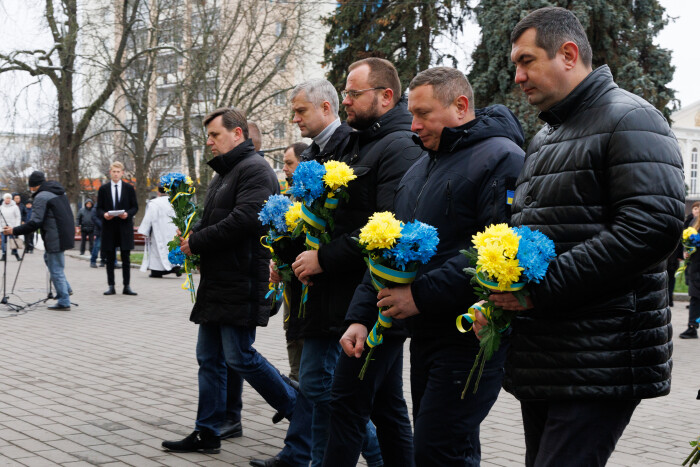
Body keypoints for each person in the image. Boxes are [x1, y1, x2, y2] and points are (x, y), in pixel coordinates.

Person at [474, 7, 685, 466]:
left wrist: (539, 291)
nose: (517, 76)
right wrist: (499, 299)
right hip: (550, 354)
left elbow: (651, 228)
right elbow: (536, 235)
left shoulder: (631, 118)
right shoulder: (547, 137)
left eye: (526, 61)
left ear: (568, 54)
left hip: (602, 354)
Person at [329, 67, 525, 467]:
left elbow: (499, 253)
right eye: (411, 113)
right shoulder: (420, 167)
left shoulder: (503, 158)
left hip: (471, 334)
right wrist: (361, 317)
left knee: (438, 449)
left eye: (423, 114)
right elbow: (386, 249)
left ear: (461, 105)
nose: (413, 125)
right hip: (427, 332)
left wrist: (418, 295)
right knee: (449, 449)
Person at [161, 107, 307, 461]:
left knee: (240, 356)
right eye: (209, 136)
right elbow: (219, 218)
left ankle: (304, 414)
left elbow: (244, 220)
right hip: (220, 281)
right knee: (209, 357)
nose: (209, 142)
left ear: (238, 134)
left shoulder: (254, 170)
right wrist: (193, 233)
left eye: (215, 135)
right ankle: (207, 432)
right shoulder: (226, 172)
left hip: (241, 279)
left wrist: (197, 241)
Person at [5, 171, 75, 310]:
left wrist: (14, 230)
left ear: (33, 186)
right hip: (64, 233)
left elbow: (35, 222)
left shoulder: (42, 197)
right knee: (49, 260)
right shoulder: (58, 191)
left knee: (55, 269)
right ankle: (66, 289)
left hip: (55, 236)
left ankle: (64, 300)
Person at [96, 161, 139, 296]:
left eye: (118, 172)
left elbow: (135, 207)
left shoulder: (129, 188)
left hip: (124, 227)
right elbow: (99, 209)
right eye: (113, 171)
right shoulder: (103, 189)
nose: (115, 174)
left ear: (122, 172)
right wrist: (104, 214)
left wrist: (128, 214)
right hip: (109, 227)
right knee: (110, 257)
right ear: (110, 173)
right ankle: (111, 286)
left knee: (126, 257)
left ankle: (127, 286)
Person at [138, 186, 180, 278]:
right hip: (173, 230)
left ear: (158, 192)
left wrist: (144, 230)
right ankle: (175, 266)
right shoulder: (175, 201)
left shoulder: (154, 203)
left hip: (159, 231)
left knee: (157, 250)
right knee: (172, 248)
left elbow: (149, 217)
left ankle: (157, 271)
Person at [683, 215, 700, 339]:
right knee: (695, 297)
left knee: (695, 298)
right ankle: (692, 326)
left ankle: (692, 326)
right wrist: (687, 250)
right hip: (695, 266)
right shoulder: (695, 222)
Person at [0, 193, 22, 261]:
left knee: (13, 241)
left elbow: (18, 217)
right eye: (7, 198)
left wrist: (16, 227)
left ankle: (16, 254)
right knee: (3, 241)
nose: (8, 199)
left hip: (12, 227)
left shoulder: (15, 207)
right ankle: (4, 254)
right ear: (4, 199)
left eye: (9, 198)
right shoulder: (1, 207)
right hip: (3, 227)